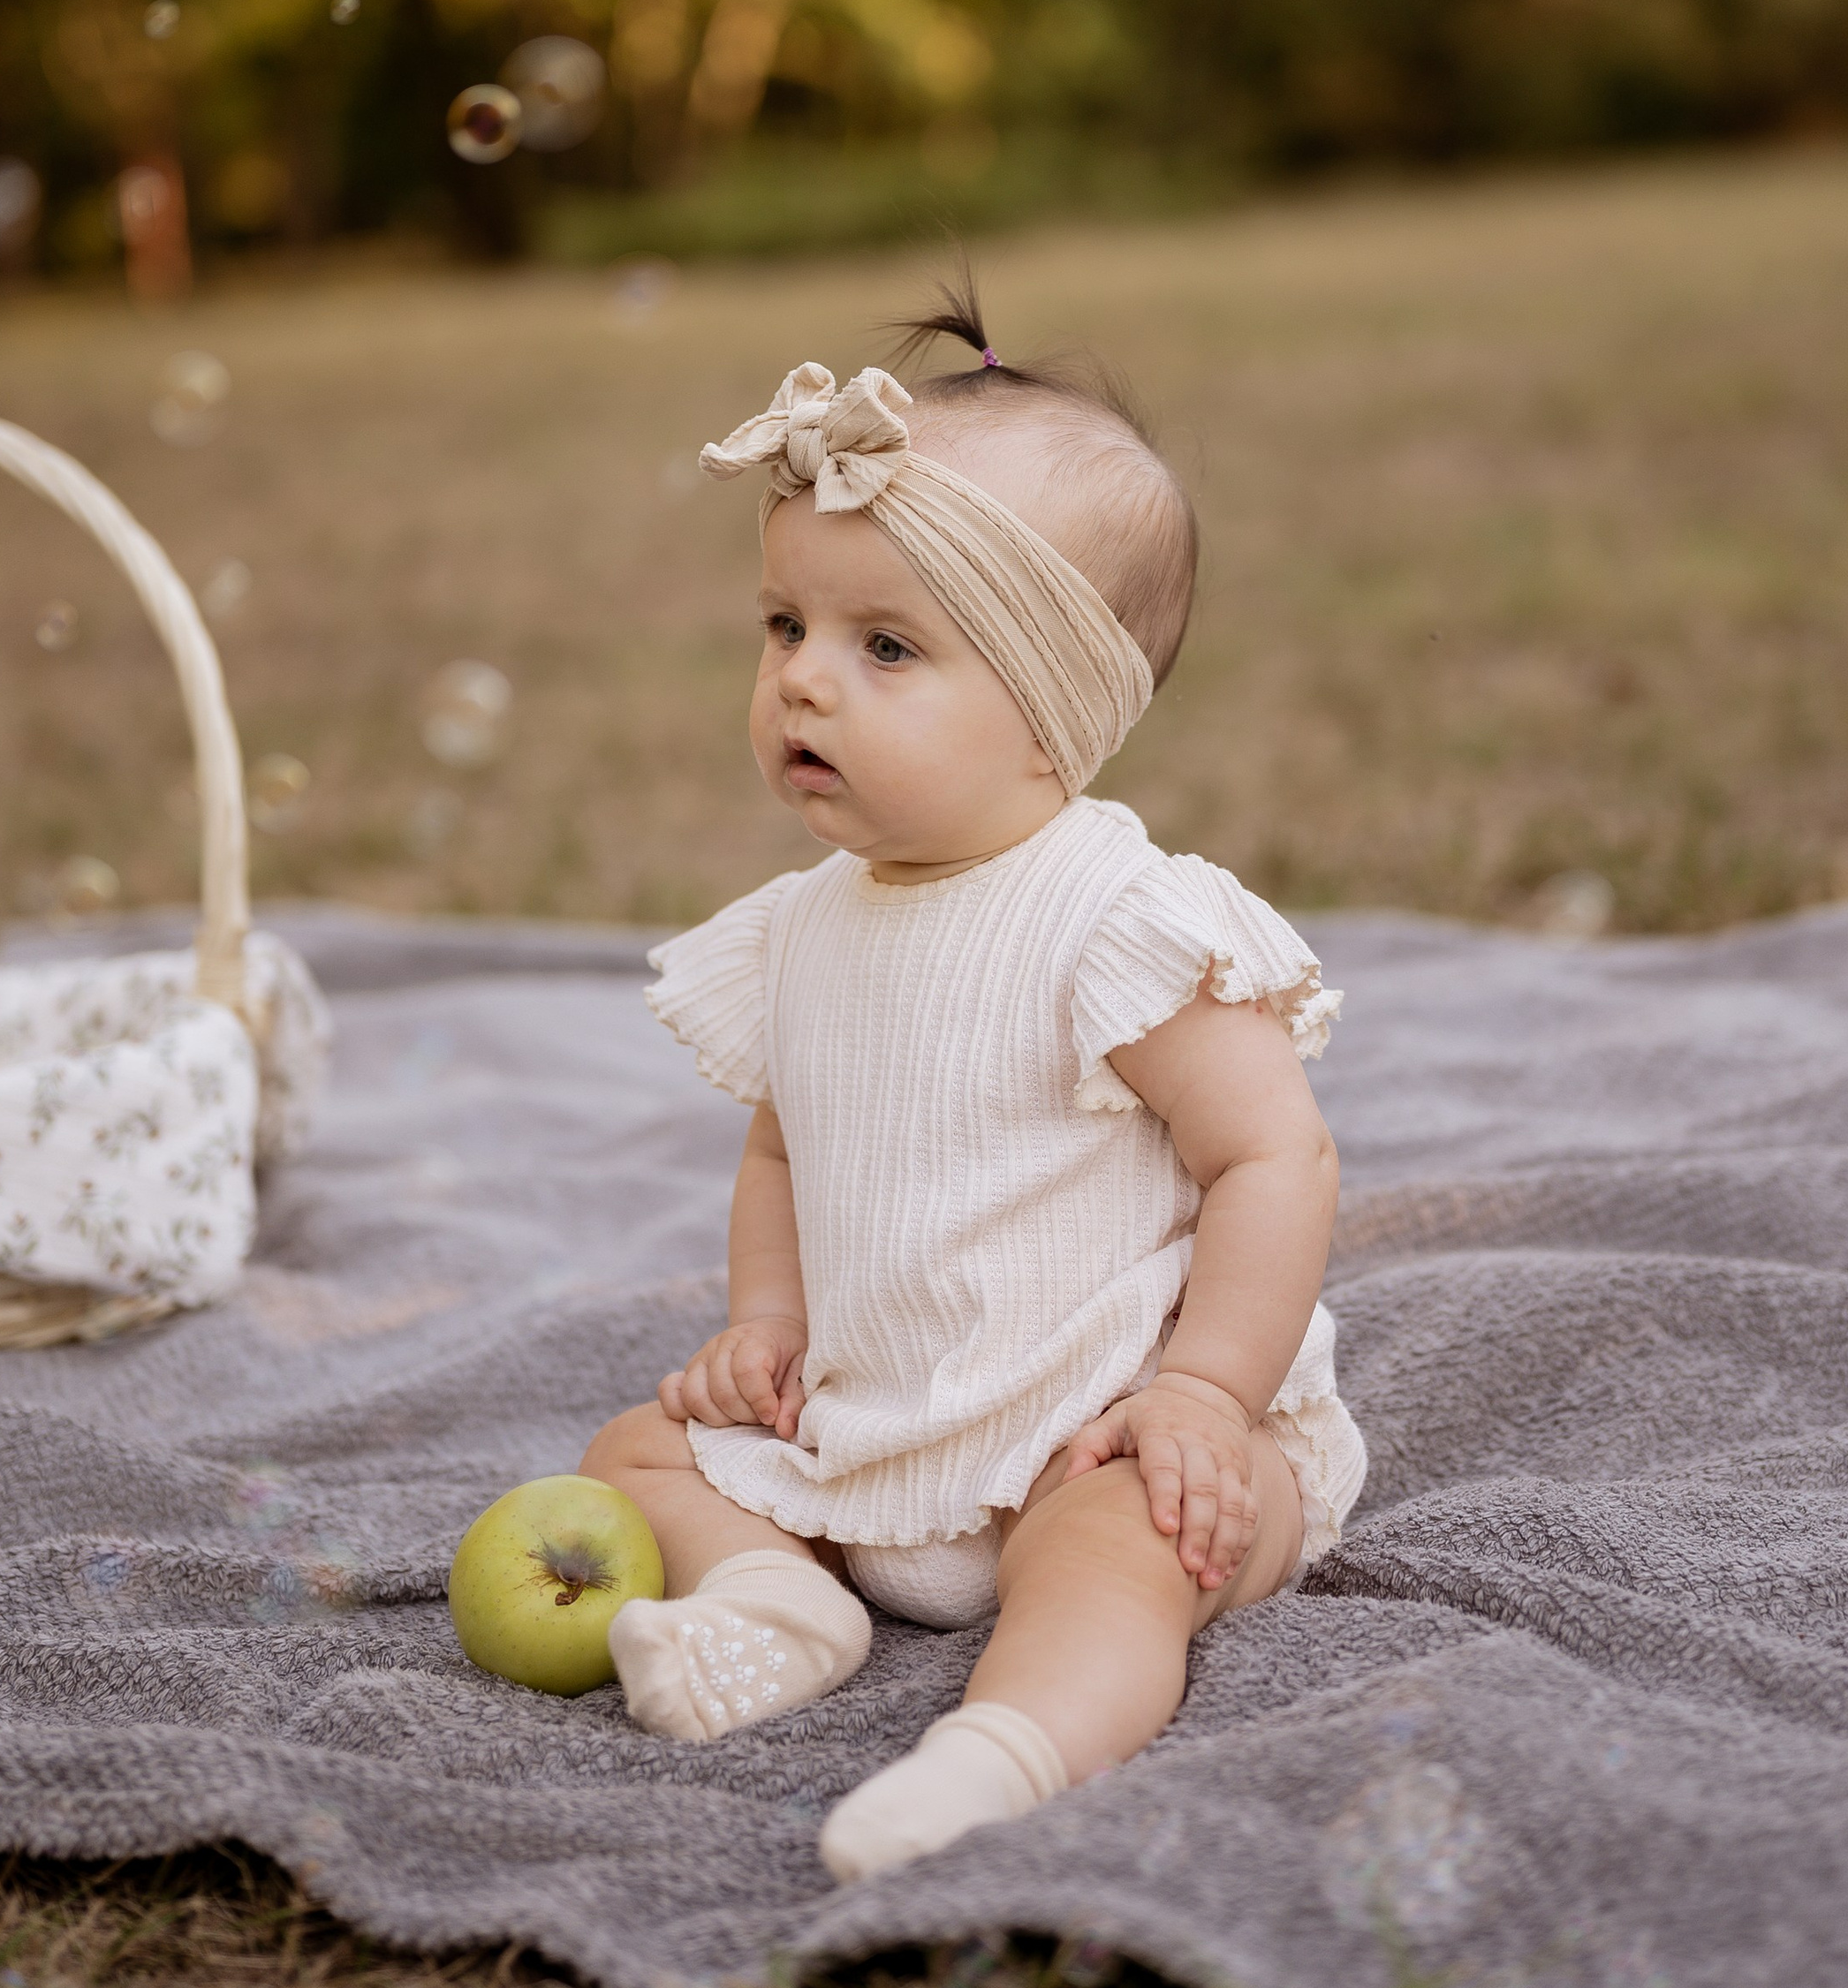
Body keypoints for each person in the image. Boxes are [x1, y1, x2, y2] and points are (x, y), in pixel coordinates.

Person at [580, 293, 1365, 1885]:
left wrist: (1205, 1391)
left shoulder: (1113, 918)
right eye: (784, 628)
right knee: (631, 1455)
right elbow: (786, 1153)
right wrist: (770, 1329)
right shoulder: (801, 930)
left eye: (886, 648)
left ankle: (1001, 1753)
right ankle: (779, 1602)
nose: (804, 683)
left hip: (1105, 1428)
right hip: (878, 1443)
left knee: (1131, 1547)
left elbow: (1272, 1158)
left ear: (1054, 710)